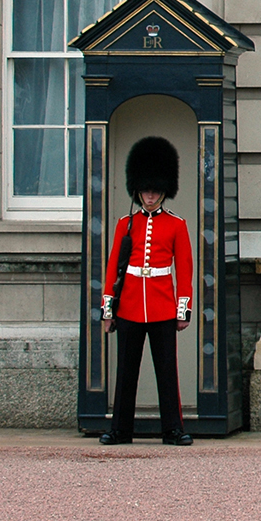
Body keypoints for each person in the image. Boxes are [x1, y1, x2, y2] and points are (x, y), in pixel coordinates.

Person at [99, 136, 193, 446]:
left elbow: (185, 270)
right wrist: (108, 310)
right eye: (145, 191)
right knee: (126, 371)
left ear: (163, 191)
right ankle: (121, 429)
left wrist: (183, 309)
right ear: (138, 191)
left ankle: (173, 429)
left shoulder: (176, 225)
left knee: (166, 371)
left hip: (162, 306)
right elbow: (113, 268)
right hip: (128, 307)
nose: (150, 196)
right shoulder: (125, 224)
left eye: (154, 191)